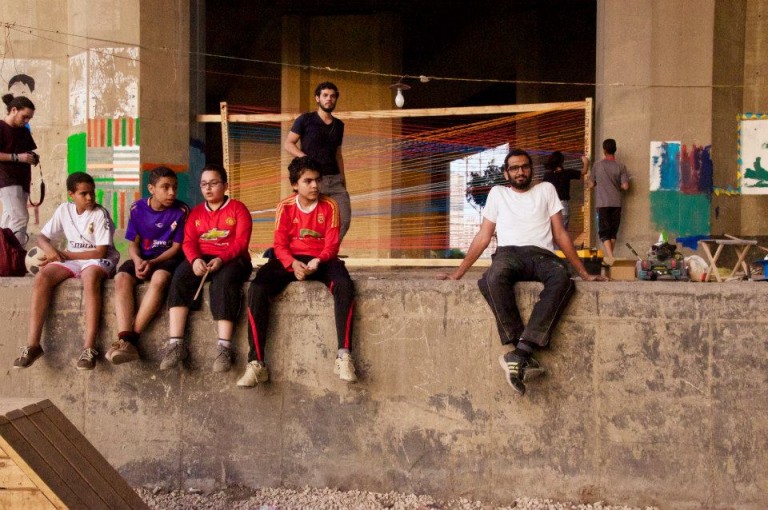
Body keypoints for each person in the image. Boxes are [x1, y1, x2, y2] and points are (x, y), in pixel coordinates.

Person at [438, 149, 606, 396]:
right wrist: (457, 274)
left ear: (531, 170)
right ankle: (522, 350)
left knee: (562, 279)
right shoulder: (498, 193)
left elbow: (560, 234)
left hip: (542, 255)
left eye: (524, 167)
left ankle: (519, 353)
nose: (520, 172)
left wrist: (584, 273)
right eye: (514, 168)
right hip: (509, 254)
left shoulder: (546, 189)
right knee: (492, 278)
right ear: (507, 173)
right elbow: (484, 236)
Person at [237, 156, 356, 387]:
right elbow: (279, 245)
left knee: (344, 284)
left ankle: (344, 356)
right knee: (257, 288)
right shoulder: (285, 207)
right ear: (295, 184)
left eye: (317, 180)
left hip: (321, 259)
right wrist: (292, 264)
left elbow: (332, 245)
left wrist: (318, 261)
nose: (315, 186)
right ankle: (256, 363)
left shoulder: (330, 206)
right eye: (308, 181)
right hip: (290, 259)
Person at [13, 172, 120, 370]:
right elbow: (42, 238)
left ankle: (89, 349)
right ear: (71, 194)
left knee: (89, 277)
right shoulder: (64, 210)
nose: (89, 197)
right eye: (83, 193)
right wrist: (50, 250)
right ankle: (33, 345)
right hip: (73, 257)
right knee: (42, 277)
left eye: (92, 192)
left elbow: (100, 251)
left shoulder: (100, 214)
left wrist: (63, 254)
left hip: (98, 259)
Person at [161, 163, 252, 372]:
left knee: (223, 282)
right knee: (180, 277)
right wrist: (194, 260)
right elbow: (188, 241)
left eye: (213, 183)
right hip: (202, 257)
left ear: (225, 185)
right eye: (204, 184)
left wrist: (221, 258)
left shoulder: (238, 209)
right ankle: (176, 344)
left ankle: (224, 348)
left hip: (233, 258)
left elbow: (241, 242)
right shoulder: (196, 213)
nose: (208, 188)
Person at [106, 166, 189, 365]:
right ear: (151, 189)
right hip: (143, 257)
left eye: (175, 187)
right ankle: (125, 339)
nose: (172, 192)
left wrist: (153, 263)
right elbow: (132, 244)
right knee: (121, 277)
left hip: (167, 259)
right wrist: (137, 260)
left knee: (159, 278)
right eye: (165, 187)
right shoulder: (137, 209)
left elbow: (176, 248)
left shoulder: (181, 211)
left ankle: (129, 340)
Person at [284, 81, 351, 240]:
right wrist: (306, 159)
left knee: (344, 220)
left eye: (332, 96)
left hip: (334, 180)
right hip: (312, 180)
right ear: (317, 98)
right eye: (325, 95)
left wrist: (343, 179)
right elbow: (288, 143)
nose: (329, 99)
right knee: (311, 222)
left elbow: (338, 153)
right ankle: (314, 249)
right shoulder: (305, 119)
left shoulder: (339, 125)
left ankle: (327, 250)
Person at [0, 94, 38, 246]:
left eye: (29, 118)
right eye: (25, 116)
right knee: (20, 217)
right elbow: (19, 156)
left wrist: (33, 157)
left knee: (9, 219)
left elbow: (27, 153)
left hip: (23, 181)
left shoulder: (24, 131)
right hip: (6, 180)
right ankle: (15, 254)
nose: (27, 121)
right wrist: (18, 157)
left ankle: (4, 255)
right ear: (14, 110)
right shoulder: (1, 127)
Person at [591, 138, 630, 261]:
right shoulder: (621, 166)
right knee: (613, 232)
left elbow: (591, 184)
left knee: (604, 232)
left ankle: (611, 257)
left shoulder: (597, 165)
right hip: (616, 203)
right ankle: (610, 257)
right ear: (615, 150)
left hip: (602, 203)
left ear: (604, 150)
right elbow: (625, 186)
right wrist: (616, 185)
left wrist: (597, 182)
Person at [542, 151, 589, 230]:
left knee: (552, 233)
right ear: (561, 162)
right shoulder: (566, 173)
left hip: (550, 207)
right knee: (562, 232)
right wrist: (586, 162)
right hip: (563, 206)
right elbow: (584, 171)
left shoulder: (547, 175)